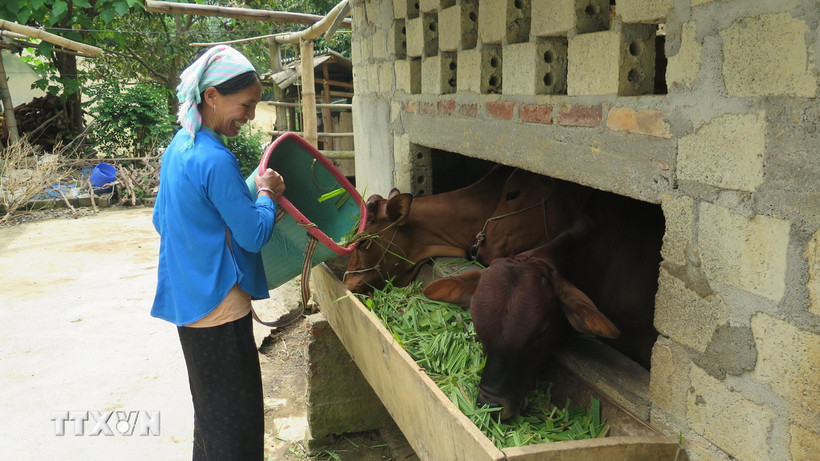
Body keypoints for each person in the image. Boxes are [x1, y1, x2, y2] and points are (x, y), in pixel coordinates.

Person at [150, 45, 284, 460]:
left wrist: (209, 230)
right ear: (211, 96)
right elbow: (254, 236)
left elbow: (161, 219)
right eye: (245, 105)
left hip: (188, 301)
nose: (249, 115)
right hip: (220, 307)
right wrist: (266, 194)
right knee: (238, 427)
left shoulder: (179, 147)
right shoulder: (214, 159)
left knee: (211, 415)